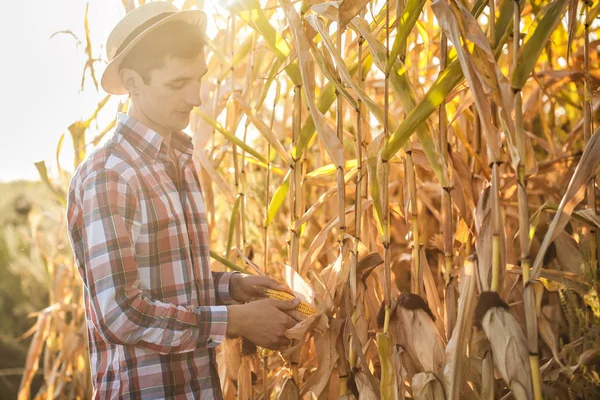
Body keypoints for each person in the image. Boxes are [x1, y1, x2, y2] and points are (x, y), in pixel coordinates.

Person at [66, 2, 299, 399]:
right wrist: (235, 321)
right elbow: (121, 314)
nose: (196, 97)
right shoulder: (110, 175)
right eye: (177, 84)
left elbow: (167, 284)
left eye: (199, 79)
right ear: (133, 82)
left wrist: (231, 288)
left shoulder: (179, 161)